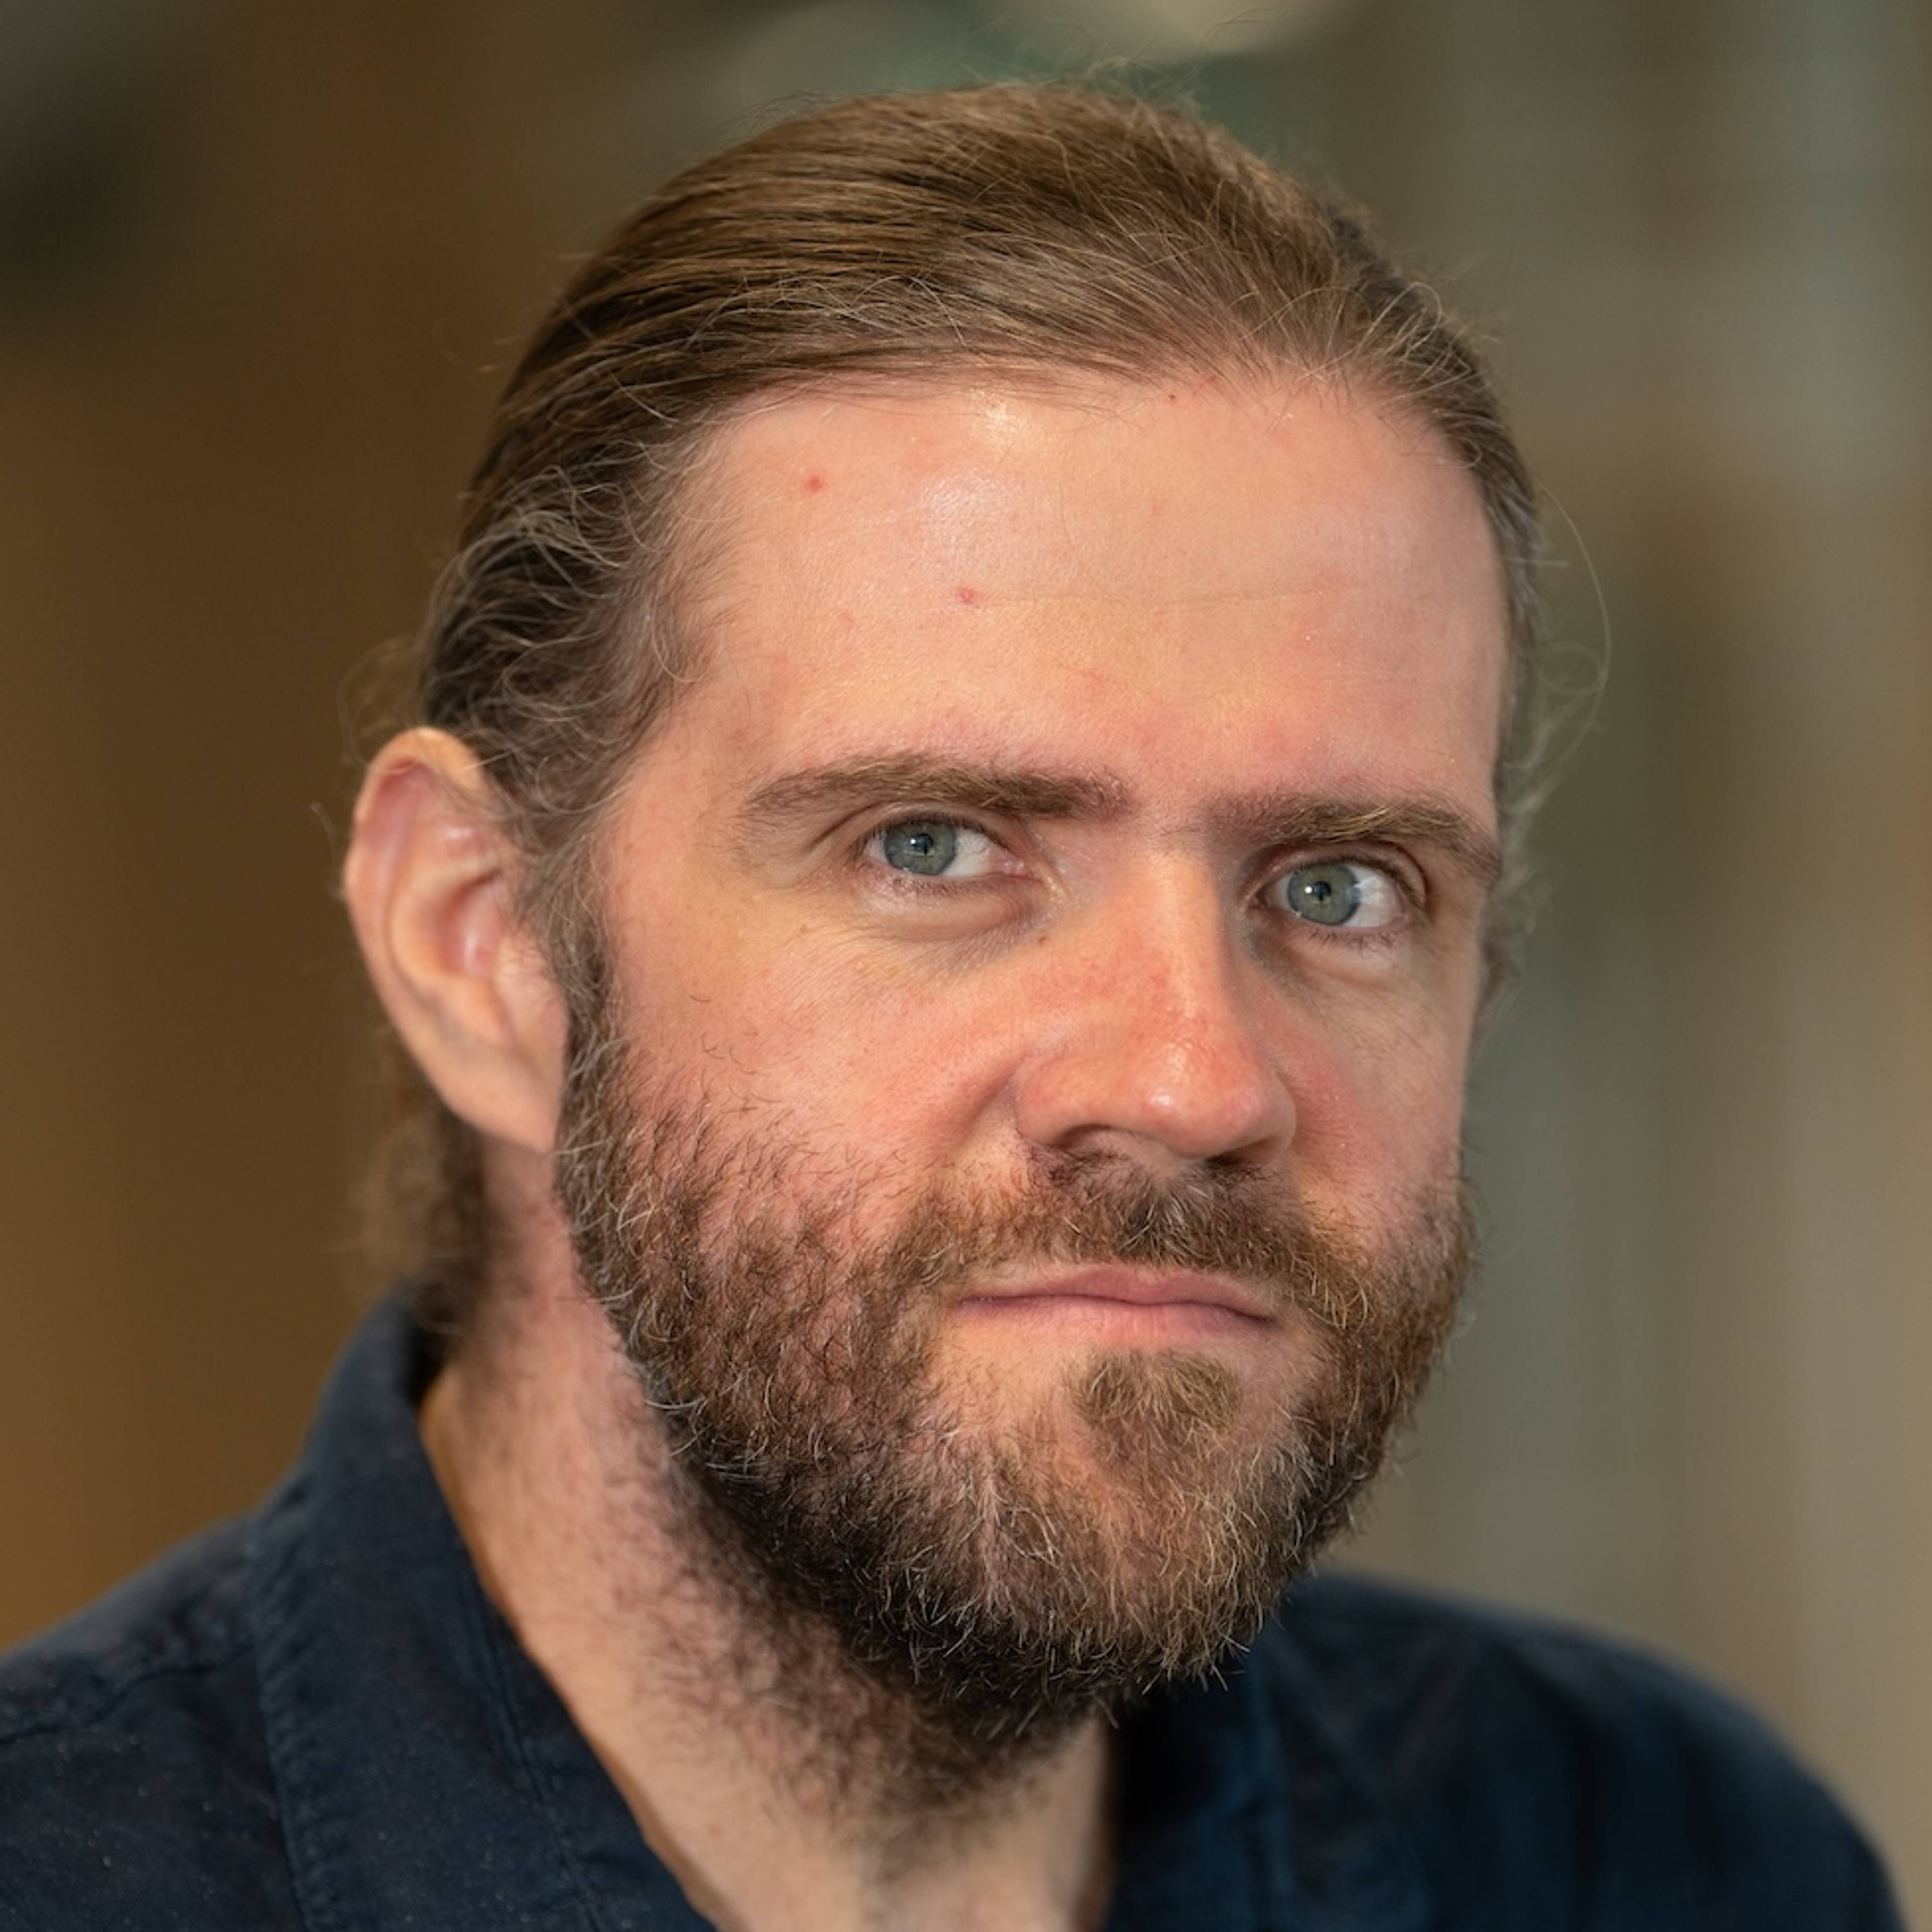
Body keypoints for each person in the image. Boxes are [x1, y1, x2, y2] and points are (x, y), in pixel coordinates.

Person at [0, 83, 1901, 1932]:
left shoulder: (1654, 1860)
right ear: (482, 941)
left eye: (1338, 889)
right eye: (933, 846)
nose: (1195, 1077)